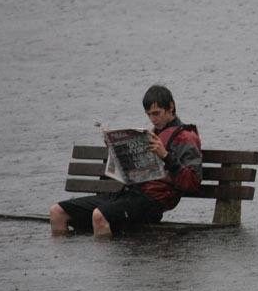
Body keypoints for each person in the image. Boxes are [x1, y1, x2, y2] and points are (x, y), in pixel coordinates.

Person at [49, 85, 202, 237]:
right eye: (149, 114)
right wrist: (116, 152)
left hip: (154, 202)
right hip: (128, 194)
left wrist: (166, 156)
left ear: (171, 107)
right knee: (57, 212)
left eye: (156, 113)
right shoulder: (151, 134)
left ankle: (102, 254)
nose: (153, 119)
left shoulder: (186, 137)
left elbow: (192, 182)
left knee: (99, 216)